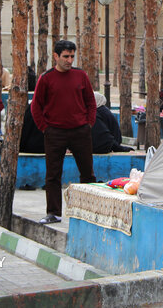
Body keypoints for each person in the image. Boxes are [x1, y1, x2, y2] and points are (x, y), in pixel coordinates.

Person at [31, 40, 97, 224]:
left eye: (72, 56)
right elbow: (36, 106)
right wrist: (45, 128)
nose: (69, 60)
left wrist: (88, 124)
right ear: (56, 56)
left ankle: (89, 210)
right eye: (66, 56)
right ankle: (54, 213)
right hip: (55, 133)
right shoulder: (46, 78)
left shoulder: (81, 75)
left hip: (80, 131)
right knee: (53, 175)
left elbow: (91, 102)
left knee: (88, 173)